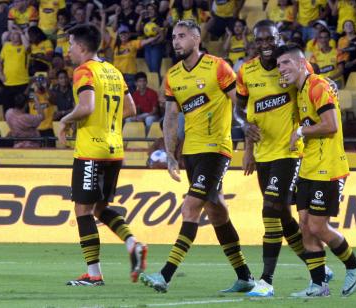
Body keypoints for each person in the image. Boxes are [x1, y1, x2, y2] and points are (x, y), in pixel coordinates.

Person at [139, 19, 255, 293]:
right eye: (173, 37)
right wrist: (170, 154)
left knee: (191, 207)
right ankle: (245, 276)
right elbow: (170, 117)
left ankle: (165, 275)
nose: (176, 41)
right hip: (191, 152)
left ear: (196, 38)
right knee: (217, 211)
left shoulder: (218, 67)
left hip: (216, 149)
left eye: (181, 36)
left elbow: (238, 104)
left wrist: (246, 131)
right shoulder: (174, 75)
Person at [236, 19, 332, 297]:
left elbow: (315, 87)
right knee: (282, 214)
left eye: (270, 39)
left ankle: (266, 281)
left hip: (289, 151)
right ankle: (319, 270)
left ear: (279, 39)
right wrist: (246, 141)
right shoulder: (246, 71)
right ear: (254, 42)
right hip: (263, 152)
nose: (266, 45)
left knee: (269, 209)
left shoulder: (293, 66)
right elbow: (241, 108)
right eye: (260, 40)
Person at [57, 23, 147, 286]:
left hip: (91, 151)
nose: (69, 48)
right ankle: (133, 243)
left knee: (82, 210)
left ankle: (94, 275)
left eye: (71, 44)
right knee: (99, 207)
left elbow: (86, 106)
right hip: (114, 149)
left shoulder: (84, 71)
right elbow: (130, 109)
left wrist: (65, 120)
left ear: (82, 47)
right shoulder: (113, 71)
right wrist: (106, 122)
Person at [275, 43, 356, 297]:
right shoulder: (301, 89)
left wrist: (301, 131)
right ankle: (318, 285)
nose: (281, 68)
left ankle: (354, 265)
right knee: (304, 224)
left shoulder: (318, 86)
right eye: (279, 64)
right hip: (309, 165)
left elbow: (331, 125)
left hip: (329, 166)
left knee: (317, 226)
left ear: (302, 63)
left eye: (286, 63)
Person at [0, 29, 30, 115]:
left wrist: (21, 33)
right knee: (7, 110)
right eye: (11, 34)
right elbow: (0, 62)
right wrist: (0, 74)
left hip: (22, 83)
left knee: (23, 110)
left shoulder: (24, 47)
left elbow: (28, 47)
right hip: (7, 83)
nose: (12, 36)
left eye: (15, 34)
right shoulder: (6, 46)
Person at [127, 72, 160, 136]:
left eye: (144, 81)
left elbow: (155, 111)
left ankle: (147, 137)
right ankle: (132, 137)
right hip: (142, 115)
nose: (142, 83)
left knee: (148, 119)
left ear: (146, 82)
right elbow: (136, 110)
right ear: (136, 83)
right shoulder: (135, 94)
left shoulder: (152, 93)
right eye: (140, 81)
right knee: (128, 119)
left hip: (152, 115)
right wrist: (136, 117)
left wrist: (144, 118)